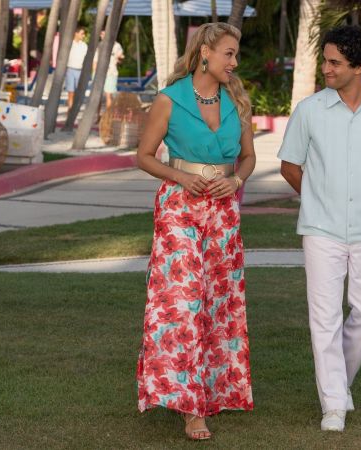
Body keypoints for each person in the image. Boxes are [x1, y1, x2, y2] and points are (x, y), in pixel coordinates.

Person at [277, 25, 361, 432]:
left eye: (335, 62)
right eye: (325, 60)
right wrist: (318, 197)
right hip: (321, 229)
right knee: (325, 318)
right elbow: (290, 166)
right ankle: (333, 404)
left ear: (360, 66)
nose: (326, 69)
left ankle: (339, 383)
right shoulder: (309, 111)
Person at [135, 22, 256, 441]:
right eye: (228, 53)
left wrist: (236, 181)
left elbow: (248, 157)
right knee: (182, 303)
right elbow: (144, 156)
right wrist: (181, 178)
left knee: (219, 303)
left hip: (223, 210)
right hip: (179, 208)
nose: (234, 62)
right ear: (205, 52)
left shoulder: (237, 101)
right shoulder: (170, 100)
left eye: (235, 54)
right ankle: (189, 408)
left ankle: (216, 392)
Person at [93, 30, 125, 110]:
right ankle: (97, 115)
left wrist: (120, 58)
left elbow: (121, 58)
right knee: (98, 97)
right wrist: (94, 74)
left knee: (109, 96)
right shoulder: (99, 45)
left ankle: (108, 116)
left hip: (111, 73)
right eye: (101, 34)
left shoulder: (116, 45)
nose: (102, 36)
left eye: (104, 34)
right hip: (99, 74)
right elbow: (95, 61)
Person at [65, 27, 87, 109]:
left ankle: (73, 111)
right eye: (82, 34)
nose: (83, 36)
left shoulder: (84, 46)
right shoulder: (70, 44)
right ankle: (69, 111)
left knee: (78, 93)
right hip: (70, 69)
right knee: (71, 93)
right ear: (76, 33)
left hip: (80, 71)